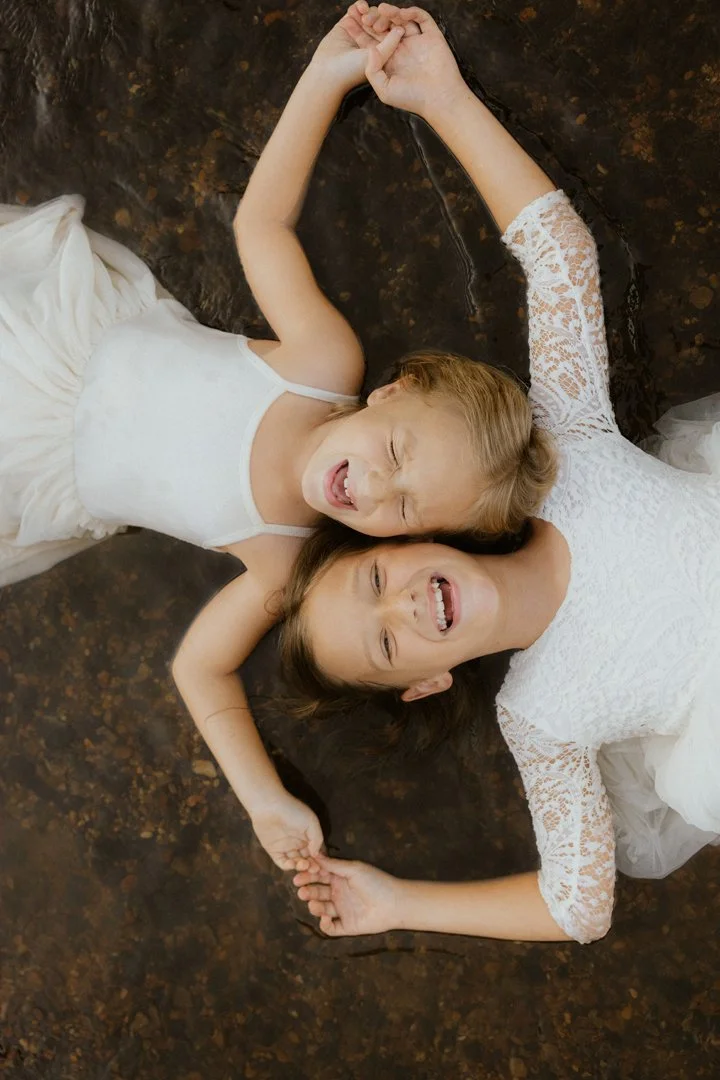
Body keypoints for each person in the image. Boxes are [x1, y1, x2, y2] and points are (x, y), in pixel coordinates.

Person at [0, 6, 555, 870]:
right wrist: (326, 74)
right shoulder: (319, 361)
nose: (370, 488)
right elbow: (262, 224)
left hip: (29, 469)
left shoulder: (286, 561)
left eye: (399, 508)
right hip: (58, 335)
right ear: (388, 391)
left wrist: (265, 800)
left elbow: (200, 671)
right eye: (395, 454)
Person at [285, 4, 720, 944]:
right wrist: (396, 901)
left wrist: (443, 98)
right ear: (426, 685)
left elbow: (561, 259)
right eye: (389, 646)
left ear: (410, 538)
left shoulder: (565, 456)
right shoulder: (541, 718)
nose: (403, 609)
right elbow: (578, 904)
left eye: (374, 581)